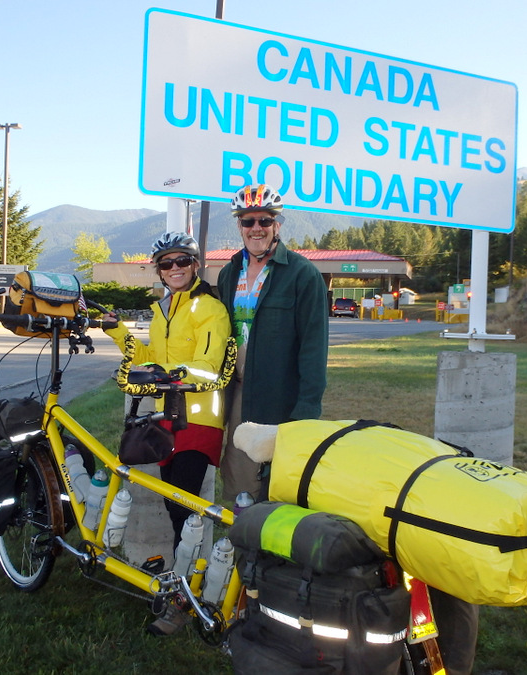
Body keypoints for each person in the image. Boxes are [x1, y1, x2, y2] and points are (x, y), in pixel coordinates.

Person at [102, 232, 230, 637]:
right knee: (175, 509)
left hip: (200, 420)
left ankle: (183, 601)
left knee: (183, 510)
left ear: (195, 265)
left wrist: (167, 376)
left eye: (182, 261)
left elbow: (208, 365)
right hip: (166, 420)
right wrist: (118, 332)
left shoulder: (210, 308)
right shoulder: (162, 311)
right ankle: (187, 589)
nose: (174, 269)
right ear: (157, 270)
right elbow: (149, 359)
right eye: (166, 263)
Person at [216, 184, 330, 501]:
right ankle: (242, 544)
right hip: (239, 392)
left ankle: (270, 545)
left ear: (276, 224)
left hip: (281, 396)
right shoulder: (228, 274)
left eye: (264, 221)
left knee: (279, 483)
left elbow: (314, 348)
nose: (256, 229)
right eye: (248, 221)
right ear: (239, 225)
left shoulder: (302, 274)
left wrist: (306, 412)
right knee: (241, 481)